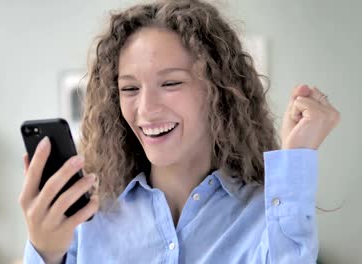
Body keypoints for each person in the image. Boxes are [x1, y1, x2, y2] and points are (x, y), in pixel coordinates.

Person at [20, 0, 340, 263]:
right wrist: (44, 252)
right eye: (129, 88)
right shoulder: (87, 223)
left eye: (171, 83)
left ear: (218, 91)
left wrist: (297, 154)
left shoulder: (267, 215)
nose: (146, 109)